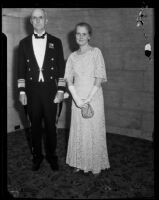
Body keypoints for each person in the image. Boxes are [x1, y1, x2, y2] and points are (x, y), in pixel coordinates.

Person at [17, 8, 65, 171]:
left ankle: (52, 156)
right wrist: (22, 91)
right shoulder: (23, 43)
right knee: (34, 127)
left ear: (46, 20)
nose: (37, 20)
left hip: (51, 90)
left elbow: (61, 67)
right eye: (34, 18)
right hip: (31, 91)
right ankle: (37, 156)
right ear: (31, 21)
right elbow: (21, 69)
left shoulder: (56, 41)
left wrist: (60, 89)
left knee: (51, 127)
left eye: (40, 17)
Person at [64, 22, 110, 175]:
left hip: (93, 97)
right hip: (77, 99)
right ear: (75, 36)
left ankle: (94, 165)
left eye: (84, 34)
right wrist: (77, 100)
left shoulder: (96, 52)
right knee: (79, 131)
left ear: (89, 36)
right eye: (78, 34)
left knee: (93, 130)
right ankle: (80, 162)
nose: (81, 37)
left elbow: (99, 77)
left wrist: (88, 99)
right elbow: (69, 80)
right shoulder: (71, 57)